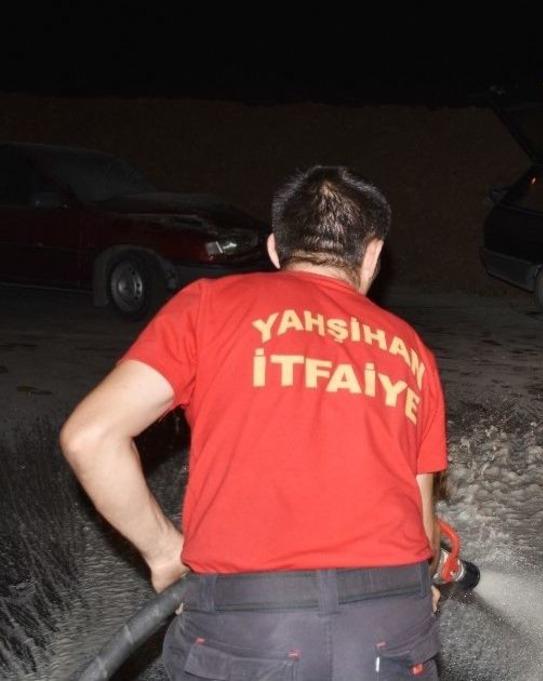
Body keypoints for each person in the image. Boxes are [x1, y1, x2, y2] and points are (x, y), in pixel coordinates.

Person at [60, 166, 448, 681]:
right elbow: (422, 531)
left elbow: (91, 437)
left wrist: (164, 552)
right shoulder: (412, 349)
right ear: (373, 254)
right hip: (390, 627)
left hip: (250, 629)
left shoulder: (210, 306)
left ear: (272, 249)